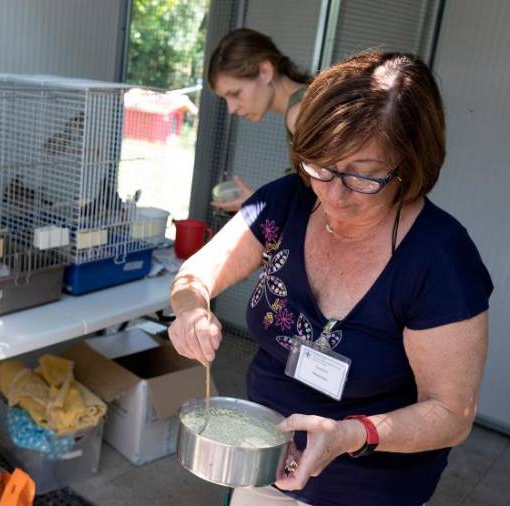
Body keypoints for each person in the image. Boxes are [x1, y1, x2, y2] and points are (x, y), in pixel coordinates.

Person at [169, 51, 493, 506]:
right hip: (262, 460)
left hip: (369, 489)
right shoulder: (286, 201)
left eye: (363, 176)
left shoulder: (441, 260)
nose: (332, 194)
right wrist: (190, 309)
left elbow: (451, 414)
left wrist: (350, 434)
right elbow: (197, 274)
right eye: (320, 165)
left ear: (411, 165)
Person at [207, 29, 311, 213]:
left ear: (265, 71)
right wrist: (258, 200)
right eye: (225, 99)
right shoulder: (308, 98)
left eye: (235, 94)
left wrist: (258, 203)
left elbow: (324, 200)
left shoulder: (300, 113)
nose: (231, 109)